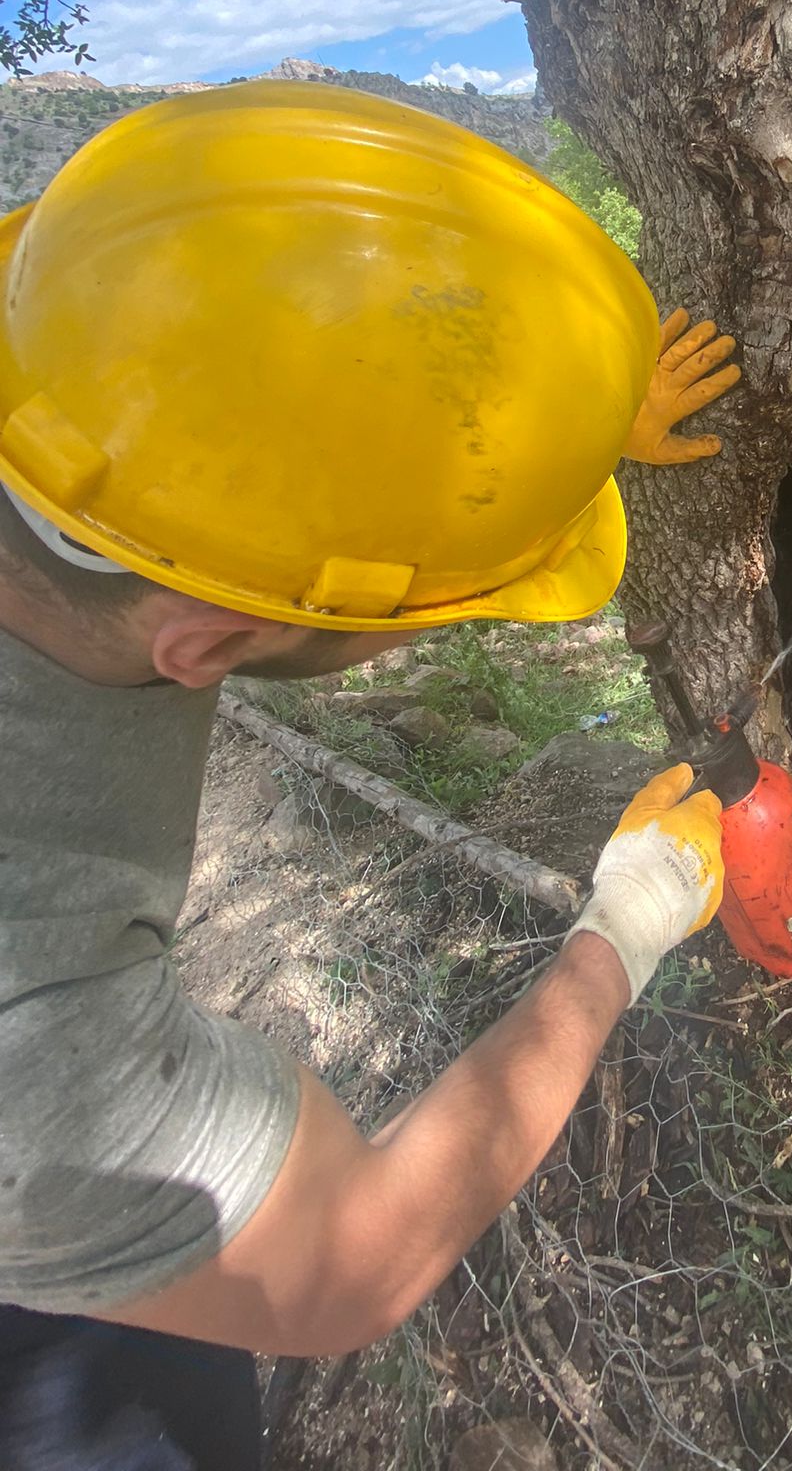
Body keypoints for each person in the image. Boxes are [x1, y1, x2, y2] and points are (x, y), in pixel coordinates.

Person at [0, 81, 740, 1470]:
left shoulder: (63, 375)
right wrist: (626, 925)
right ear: (209, 639)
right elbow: (356, 1256)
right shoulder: (35, 1039)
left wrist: (533, 436)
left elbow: (266, 348)